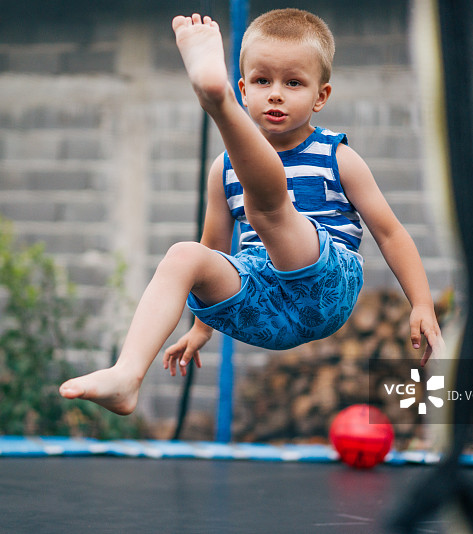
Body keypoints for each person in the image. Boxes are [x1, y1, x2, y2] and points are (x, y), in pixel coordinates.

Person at [60, 9, 443, 415]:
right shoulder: (221, 171)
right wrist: (202, 326)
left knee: (268, 213)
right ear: (245, 88)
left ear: (320, 96)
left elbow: (390, 233)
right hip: (265, 308)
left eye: (293, 82)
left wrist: (421, 303)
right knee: (184, 255)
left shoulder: (338, 157)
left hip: (325, 288)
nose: (276, 93)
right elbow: (214, 256)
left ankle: (216, 102)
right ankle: (127, 375)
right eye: (263, 81)